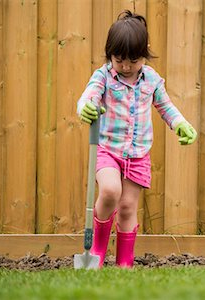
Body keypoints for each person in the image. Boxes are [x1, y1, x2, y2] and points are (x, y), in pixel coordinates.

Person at [77, 10, 197, 268]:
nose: (126, 67)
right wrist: (85, 107)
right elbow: (88, 96)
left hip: (137, 154)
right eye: (119, 60)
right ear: (109, 54)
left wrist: (181, 124)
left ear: (145, 53)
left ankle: (124, 264)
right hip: (108, 149)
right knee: (110, 190)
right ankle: (96, 253)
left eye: (133, 60)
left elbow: (165, 107)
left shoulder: (151, 79)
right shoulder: (104, 76)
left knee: (128, 207)